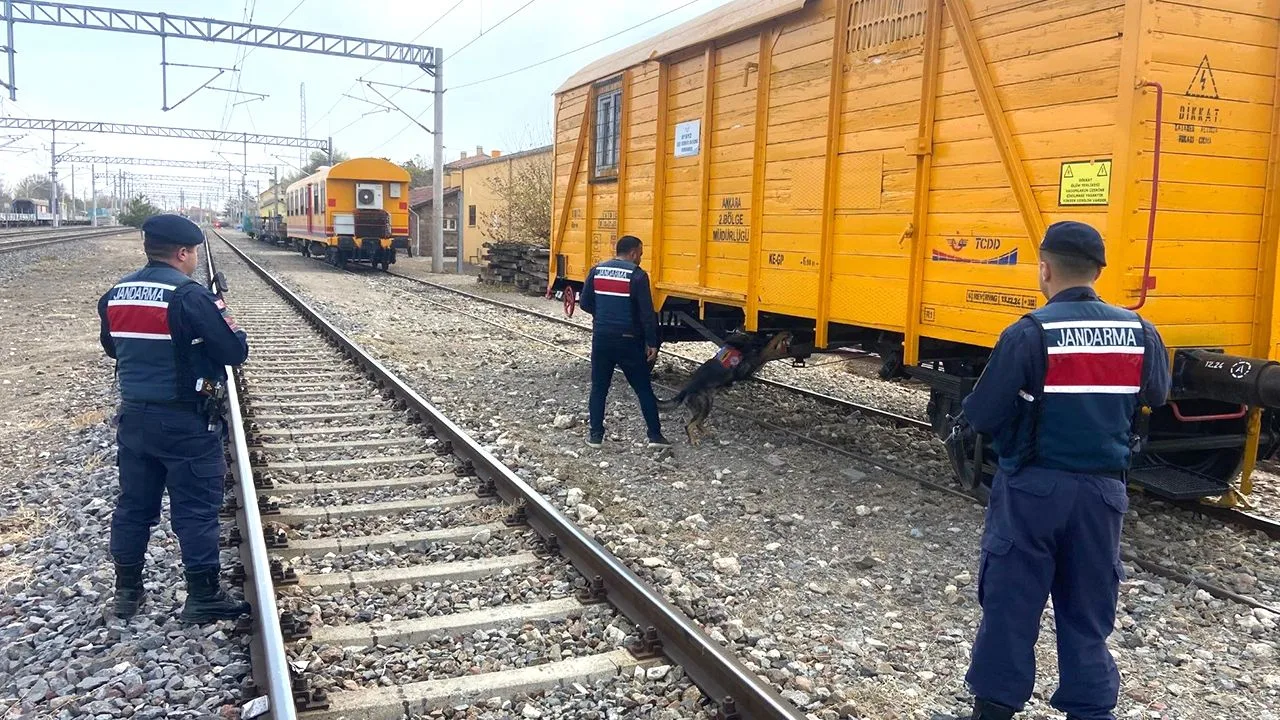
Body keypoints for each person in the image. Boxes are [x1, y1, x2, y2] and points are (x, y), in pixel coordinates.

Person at [953, 221, 1170, 720]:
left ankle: (995, 709)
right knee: (1089, 610)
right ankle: (1091, 711)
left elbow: (982, 413)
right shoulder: (1141, 331)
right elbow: (1155, 395)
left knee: (1012, 603)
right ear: (1097, 271)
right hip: (1103, 493)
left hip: (1033, 489)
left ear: (1045, 268)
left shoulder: (1030, 332)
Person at [97, 213, 252, 623]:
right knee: (196, 510)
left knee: (134, 507)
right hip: (184, 421)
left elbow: (114, 349)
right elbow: (234, 352)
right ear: (182, 252)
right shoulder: (189, 296)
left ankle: (127, 594)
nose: (196, 260)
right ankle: (203, 597)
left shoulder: (116, 293)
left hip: (134, 419)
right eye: (195, 253)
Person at [578, 235, 671, 448]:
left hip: (601, 339)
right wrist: (652, 342)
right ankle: (655, 436)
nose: (641, 257)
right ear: (632, 253)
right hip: (629, 340)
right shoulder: (637, 276)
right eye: (640, 253)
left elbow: (584, 303)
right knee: (643, 388)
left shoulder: (597, 271)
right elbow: (647, 313)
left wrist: (602, 315)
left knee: (599, 387)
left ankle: (595, 436)